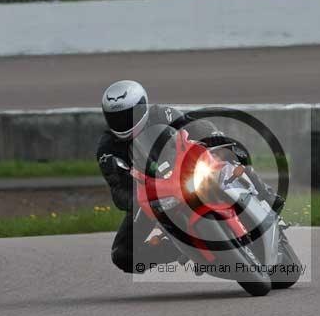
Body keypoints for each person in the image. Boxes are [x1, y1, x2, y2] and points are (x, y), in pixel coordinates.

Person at [96, 80, 226, 273]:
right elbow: (118, 191)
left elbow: (195, 125)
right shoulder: (107, 149)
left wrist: (214, 136)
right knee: (122, 254)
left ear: (143, 106)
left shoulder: (161, 113)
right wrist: (138, 202)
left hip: (186, 171)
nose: (123, 122)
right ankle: (179, 249)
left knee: (229, 157)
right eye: (117, 118)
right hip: (151, 195)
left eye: (128, 115)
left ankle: (264, 195)